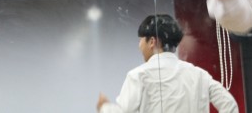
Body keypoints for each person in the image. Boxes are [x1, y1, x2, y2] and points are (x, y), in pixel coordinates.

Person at [96, 14, 239, 113]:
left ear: (152, 42)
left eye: (141, 40)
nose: (139, 46)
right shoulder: (199, 75)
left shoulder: (139, 76)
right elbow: (230, 105)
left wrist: (104, 107)